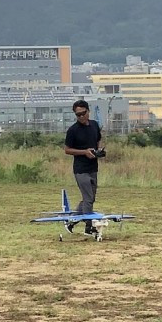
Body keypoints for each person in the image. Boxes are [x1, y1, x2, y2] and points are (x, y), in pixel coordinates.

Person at [64, 100, 103, 236]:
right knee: (88, 198)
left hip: (93, 167)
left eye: (83, 113)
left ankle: (72, 221)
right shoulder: (73, 130)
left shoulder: (94, 125)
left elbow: (98, 139)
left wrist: (98, 150)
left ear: (88, 111)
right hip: (80, 169)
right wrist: (84, 152)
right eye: (78, 114)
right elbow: (67, 150)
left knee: (90, 198)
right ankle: (89, 227)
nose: (81, 116)